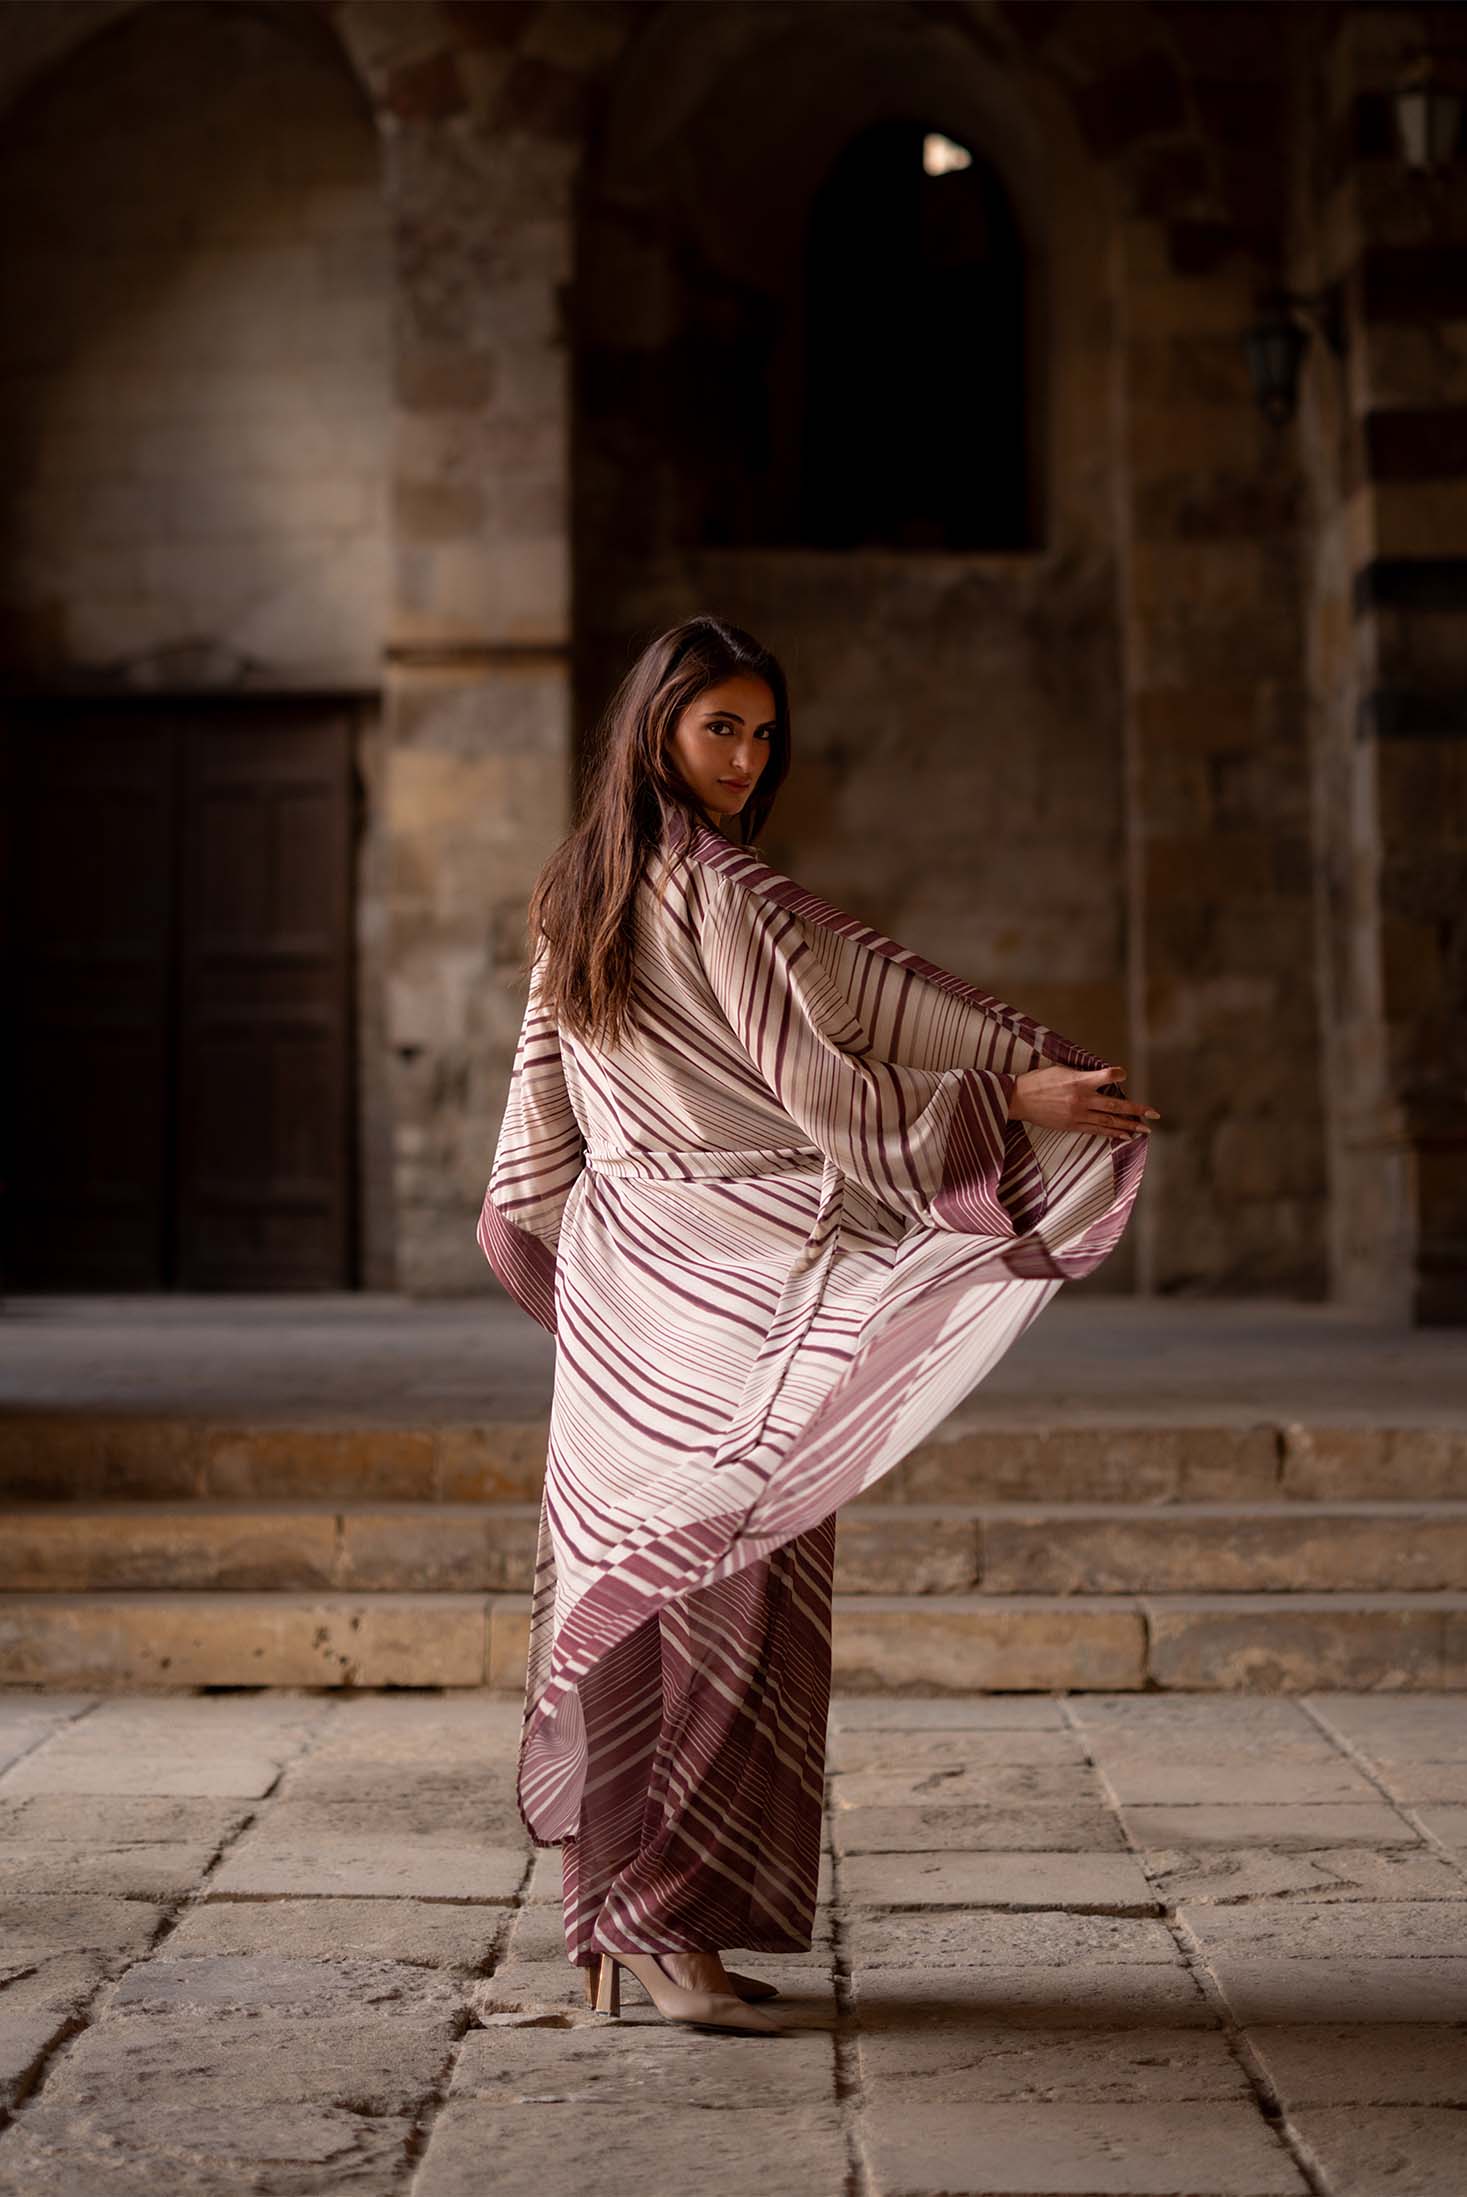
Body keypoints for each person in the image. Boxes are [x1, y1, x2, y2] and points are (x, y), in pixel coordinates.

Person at [477, 614, 1156, 2037]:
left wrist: (569, 1283)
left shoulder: (576, 891)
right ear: (655, 727)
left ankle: (616, 1925)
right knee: (739, 1594)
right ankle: (676, 1930)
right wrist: (1017, 1099)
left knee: (635, 1598)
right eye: (719, 726)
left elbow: (538, 1124)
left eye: (762, 732)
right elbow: (832, 1091)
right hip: (740, 1289)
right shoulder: (727, 895)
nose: (745, 757)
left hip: (625, 1295)